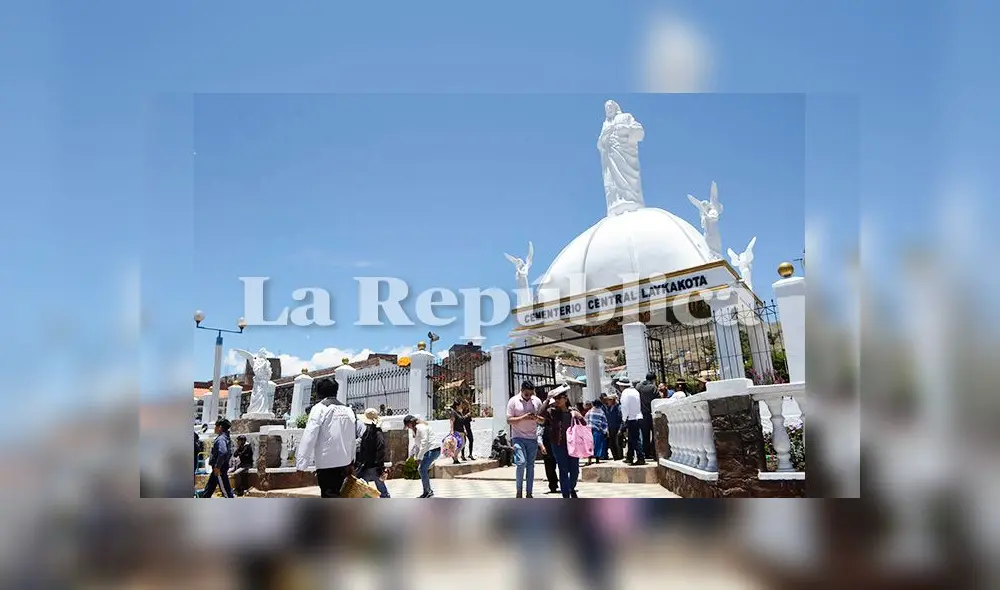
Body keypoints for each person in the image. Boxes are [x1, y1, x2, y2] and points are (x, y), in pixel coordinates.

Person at [296, 378, 361, 498]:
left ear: (319, 392)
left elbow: (309, 436)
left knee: (329, 495)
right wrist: (352, 461)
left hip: (326, 463)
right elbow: (352, 438)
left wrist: (301, 465)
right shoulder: (349, 410)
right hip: (345, 462)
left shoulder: (319, 409)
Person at [540, 386, 586, 498]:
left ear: (565, 399)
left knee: (575, 470)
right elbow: (540, 415)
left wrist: (579, 417)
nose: (557, 400)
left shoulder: (573, 411)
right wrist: (547, 399)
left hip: (573, 445)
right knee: (563, 469)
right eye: (555, 398)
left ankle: (571, 488)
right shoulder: (552, 412)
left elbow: (584, 425)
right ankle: (566, 495)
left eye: (559, 398)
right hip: (558, 444)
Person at [506, 380, 542, 498]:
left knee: (530, 465)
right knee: (521, 463)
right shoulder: (513, 401)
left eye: (531, 394)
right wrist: (523, 417)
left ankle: (529, 492)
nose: (529, 396)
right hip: (518, 437)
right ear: (521, 391)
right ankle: (519, 490)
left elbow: (543, 420)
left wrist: (537, 418)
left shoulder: (537, 401)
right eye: (526, 394)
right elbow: (509, 420)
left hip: (532, 437)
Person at [355, 408, 390, 498]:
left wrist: (380, 467)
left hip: (373, 465)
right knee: (365, 487)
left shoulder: (375, 433)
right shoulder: (371, 431)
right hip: (369, 465)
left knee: (364, 488)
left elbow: (380, 449)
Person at [404, 415, 441, 498]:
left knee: (422, 469)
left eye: (407, 425)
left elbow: (424, 443)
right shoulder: (415, 430)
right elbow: (417, 445)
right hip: (429, 450)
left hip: (433, 449)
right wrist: (415, 456)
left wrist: (419, 457)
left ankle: (428, 491)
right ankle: (427, 491)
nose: (408, 428)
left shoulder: (421, 428)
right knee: (422, 469)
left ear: (410, 423)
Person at [199, 418, 234, 498]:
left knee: (226, 491)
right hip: (217, 469)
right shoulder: (225, 438)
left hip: (219, 469)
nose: (214, 428)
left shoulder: (221, 439)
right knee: (209, 489)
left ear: (220, 427)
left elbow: (223, 452)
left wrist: (218, 467)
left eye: (216, 426)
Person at [618, 379, 646, 465]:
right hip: (638, 416)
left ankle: (641, 457)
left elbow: (624, 406)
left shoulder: (625, 393)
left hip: (631, 418)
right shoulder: (635, 391)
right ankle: (629, 456)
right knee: (631, 438)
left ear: (622, 386)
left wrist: (624, 418)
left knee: (635, 439)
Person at [636, 372, 658, 461]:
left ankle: (646, 453)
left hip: (641, 414)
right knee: (655, 434)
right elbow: (658, 400)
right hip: (651, 414)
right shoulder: (653, 388)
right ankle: (653, 452)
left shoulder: (638, 387)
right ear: (653, 379)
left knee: (645, 435)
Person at [536, 413, 560, 494]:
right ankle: (553, 485)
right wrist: (542, 446)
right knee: (550, 467)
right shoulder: (542, 424)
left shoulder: (557, 421)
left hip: (558, 447)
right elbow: (539, 435)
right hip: (547, 448)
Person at [585, 398, 608, 466]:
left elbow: (586, 420)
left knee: (590, 445)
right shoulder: (601, 412)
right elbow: (604, 422)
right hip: (597, 430)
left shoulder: (589, 411)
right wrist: (605, 431)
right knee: (598, 445)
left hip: (589, 430)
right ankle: (597, 459)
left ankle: (589, 460)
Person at [604, 393, 624, 461]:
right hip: (610, 428)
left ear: (614, 400)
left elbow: (622, 420)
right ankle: (615, 457)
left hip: (617, 428)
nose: (608, 401)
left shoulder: (619, 408)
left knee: (618, 444)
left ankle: (620, 457)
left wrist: (620, 429)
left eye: (610, 399)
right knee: (612, 444)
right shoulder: (608, 408)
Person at [448, 400, 465, 465]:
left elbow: (462, 421)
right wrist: (452, 430)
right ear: (457, 405)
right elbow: (452, 421)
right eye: (460, 405)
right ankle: (455, 457)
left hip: (461, 431)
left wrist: (464, 430)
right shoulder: (453, 412)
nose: (461, 406)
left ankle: (455, 457)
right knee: (460, 445)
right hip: (457, 431)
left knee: (462, 445)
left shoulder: (459, 412)